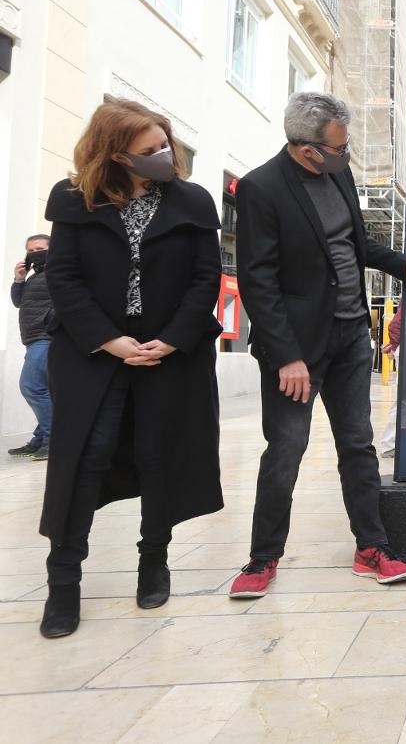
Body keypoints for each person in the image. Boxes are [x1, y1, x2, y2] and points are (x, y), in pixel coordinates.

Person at [230, 92, 406, 598]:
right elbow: (257, 279)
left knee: (358, 444)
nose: (346, 157)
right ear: (308, 150)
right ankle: (263, 557)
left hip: (352, 336)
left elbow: (355, 246)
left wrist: (405, 265)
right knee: (286, 449)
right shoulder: (261, 188)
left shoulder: (338, 174)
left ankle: (372, 546)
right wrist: (287, 356)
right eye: (339, 149)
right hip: (297, 349)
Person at [39, 99, 224, 637]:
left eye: (165, 144)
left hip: (172, 355)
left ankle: (153, 563)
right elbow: (64, 278)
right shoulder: (74, 198)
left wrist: (170, 340)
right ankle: (63, 582)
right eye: (149, 150)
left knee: (157, 456)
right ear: (115, 154)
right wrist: (110, 340)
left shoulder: (191, 201)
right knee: (85, 459)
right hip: (91, 352)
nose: (163, 155)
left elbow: (204, 280)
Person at [10, 234, 54, 460]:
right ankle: (40, 438)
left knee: (32, 386)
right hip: (32, 338)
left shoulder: (59, 271)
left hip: (46, 337)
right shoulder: (34, 277)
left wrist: (51, 322)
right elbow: (19, 302)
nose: (34, 252)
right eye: (30, 250)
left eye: (39, 248)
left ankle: (52, 439)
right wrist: (19, 279)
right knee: (45, 390)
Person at [379, 301, 403, 457]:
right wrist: (394, 344)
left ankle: (390, 443)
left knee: (401, 398)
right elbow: (396, 324)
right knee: (401, 398)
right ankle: (389, 444)